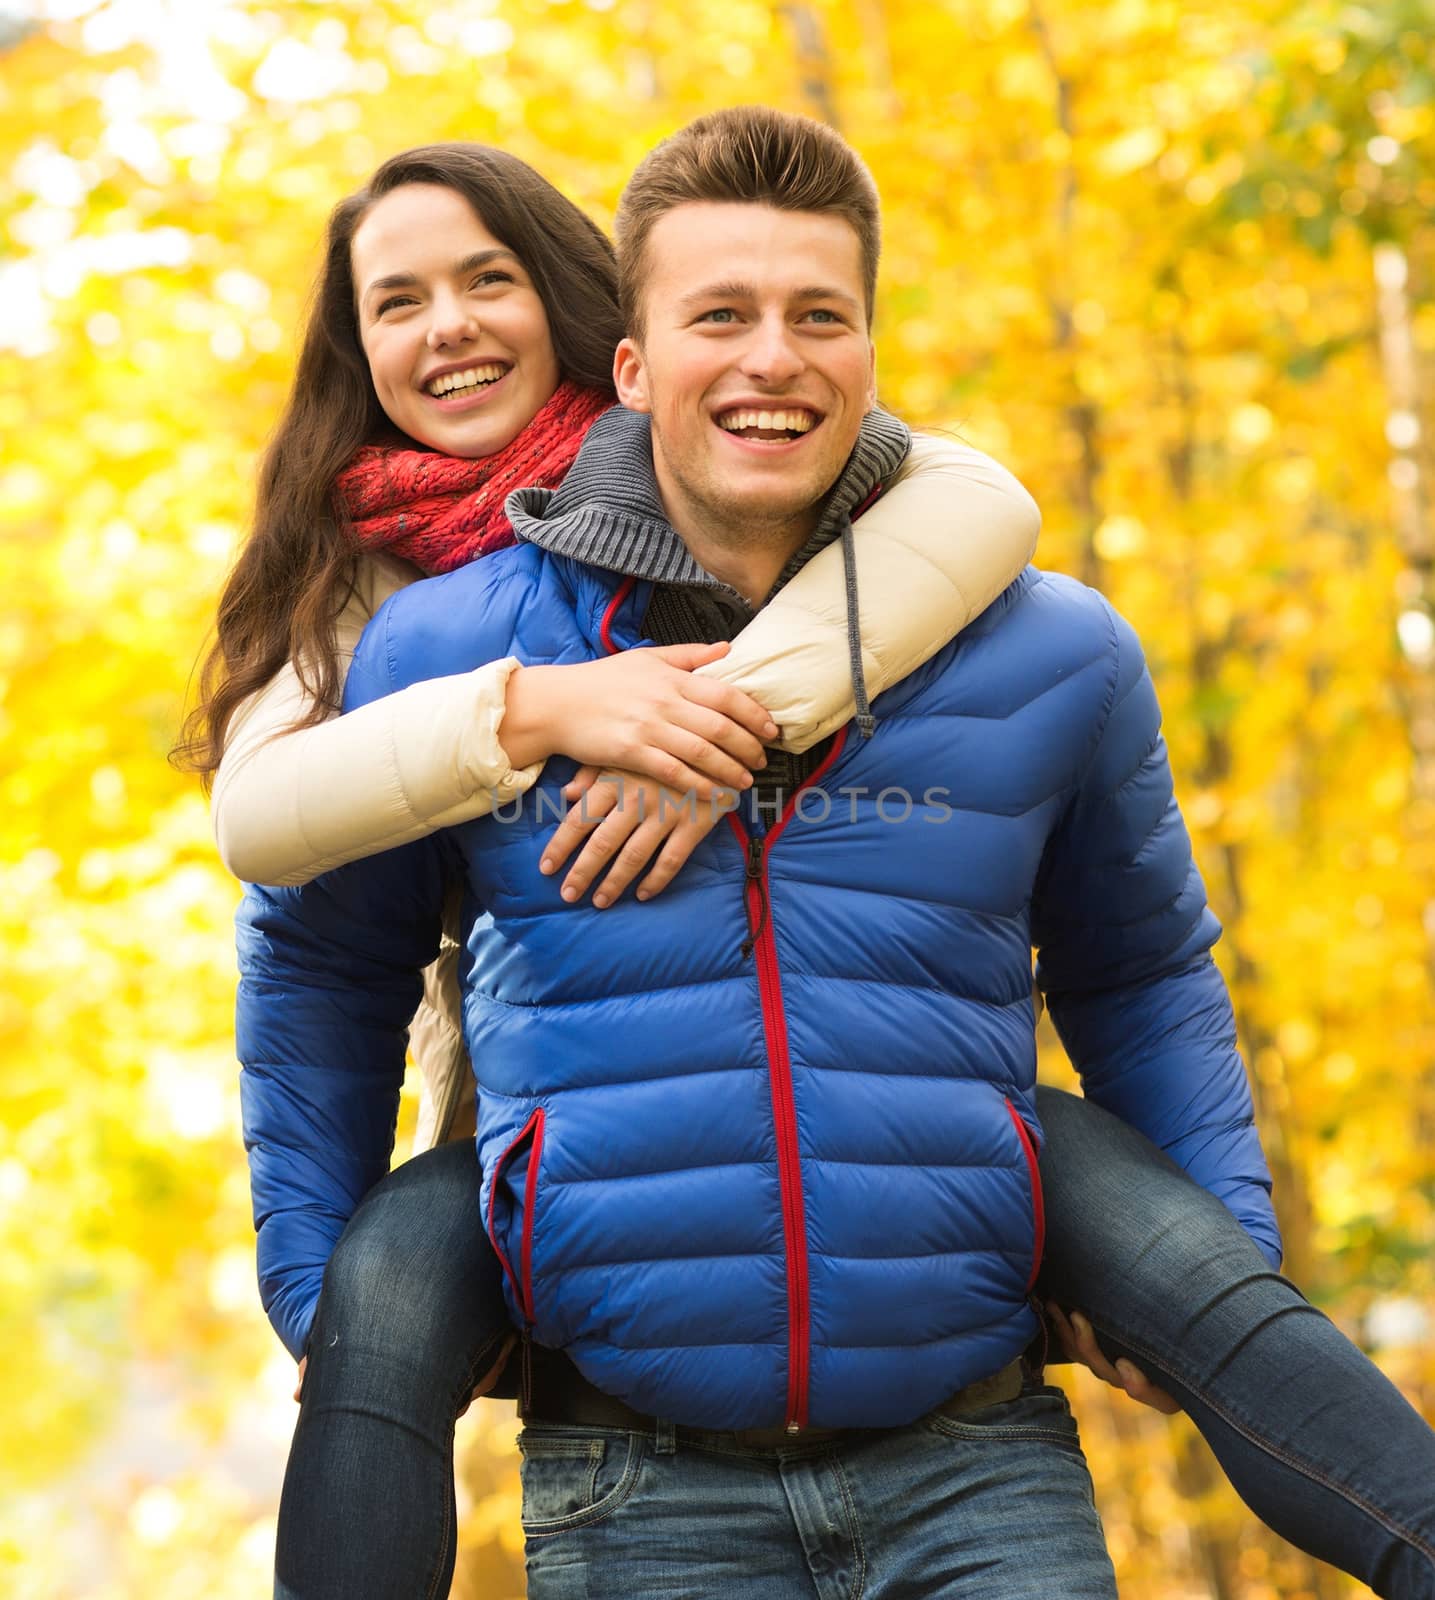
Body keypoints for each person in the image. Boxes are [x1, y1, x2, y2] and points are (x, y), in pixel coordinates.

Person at [207, 132, 1435, 1596]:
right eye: (719, 316)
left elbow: (1143, 968)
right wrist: (310, 1287)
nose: (771, 359)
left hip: (980, 1460)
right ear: (635, 362)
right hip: (633, 1471)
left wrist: (1206, 1266)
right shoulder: (431, 637)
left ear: (870, 342)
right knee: (386, 1286)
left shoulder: (1050, 646)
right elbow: (321, 961)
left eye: (819, 316)